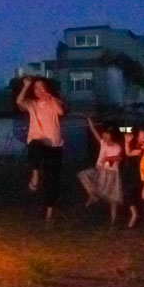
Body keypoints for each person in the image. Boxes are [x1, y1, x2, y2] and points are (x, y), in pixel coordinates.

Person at [16, 76, 65, 226]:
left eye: (42, 87)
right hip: (39, 142)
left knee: (52, 180)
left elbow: (61, 112)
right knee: (34, 144)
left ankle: (50, 213)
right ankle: (35, 174)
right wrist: (26, 86)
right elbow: (19, 102)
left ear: (48, 88)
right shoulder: (32, 104)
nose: (39, 90)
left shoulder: (53, 102)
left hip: (55, 145)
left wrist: (50, 97)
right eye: (36, 88)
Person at [77, 117, 123, 225]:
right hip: (100, 171)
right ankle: (92, 198)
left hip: (111, 174)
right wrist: (90, 123)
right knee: (83, 175)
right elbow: (94, 132)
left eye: (107, 134)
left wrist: (108, 159)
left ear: (112, 135)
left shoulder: (117, 147)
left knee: (113, 199)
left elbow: (119, 158)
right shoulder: (103, 143)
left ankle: (113, 221)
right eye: (104, 134)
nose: (104, 136)